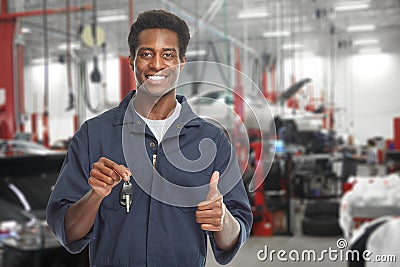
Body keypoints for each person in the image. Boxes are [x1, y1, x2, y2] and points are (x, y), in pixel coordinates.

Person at [46, 9, 252, 267]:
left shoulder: (212, 141)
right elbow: (68, 232)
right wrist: (95, 196)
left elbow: (233, 236)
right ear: (131, 61)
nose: (156, 64)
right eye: (146, 54)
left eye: (168, 55)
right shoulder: (94, 136)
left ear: (182, 62)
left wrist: (222, 219)